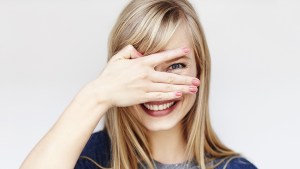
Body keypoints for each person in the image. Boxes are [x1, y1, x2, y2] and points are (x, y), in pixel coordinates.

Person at [20, 0, 258, 169]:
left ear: (201, 71)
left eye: (176, 66)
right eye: (140, 67)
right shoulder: (85, 159)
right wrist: (97, 95)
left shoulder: (236, 167)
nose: (156, 86)